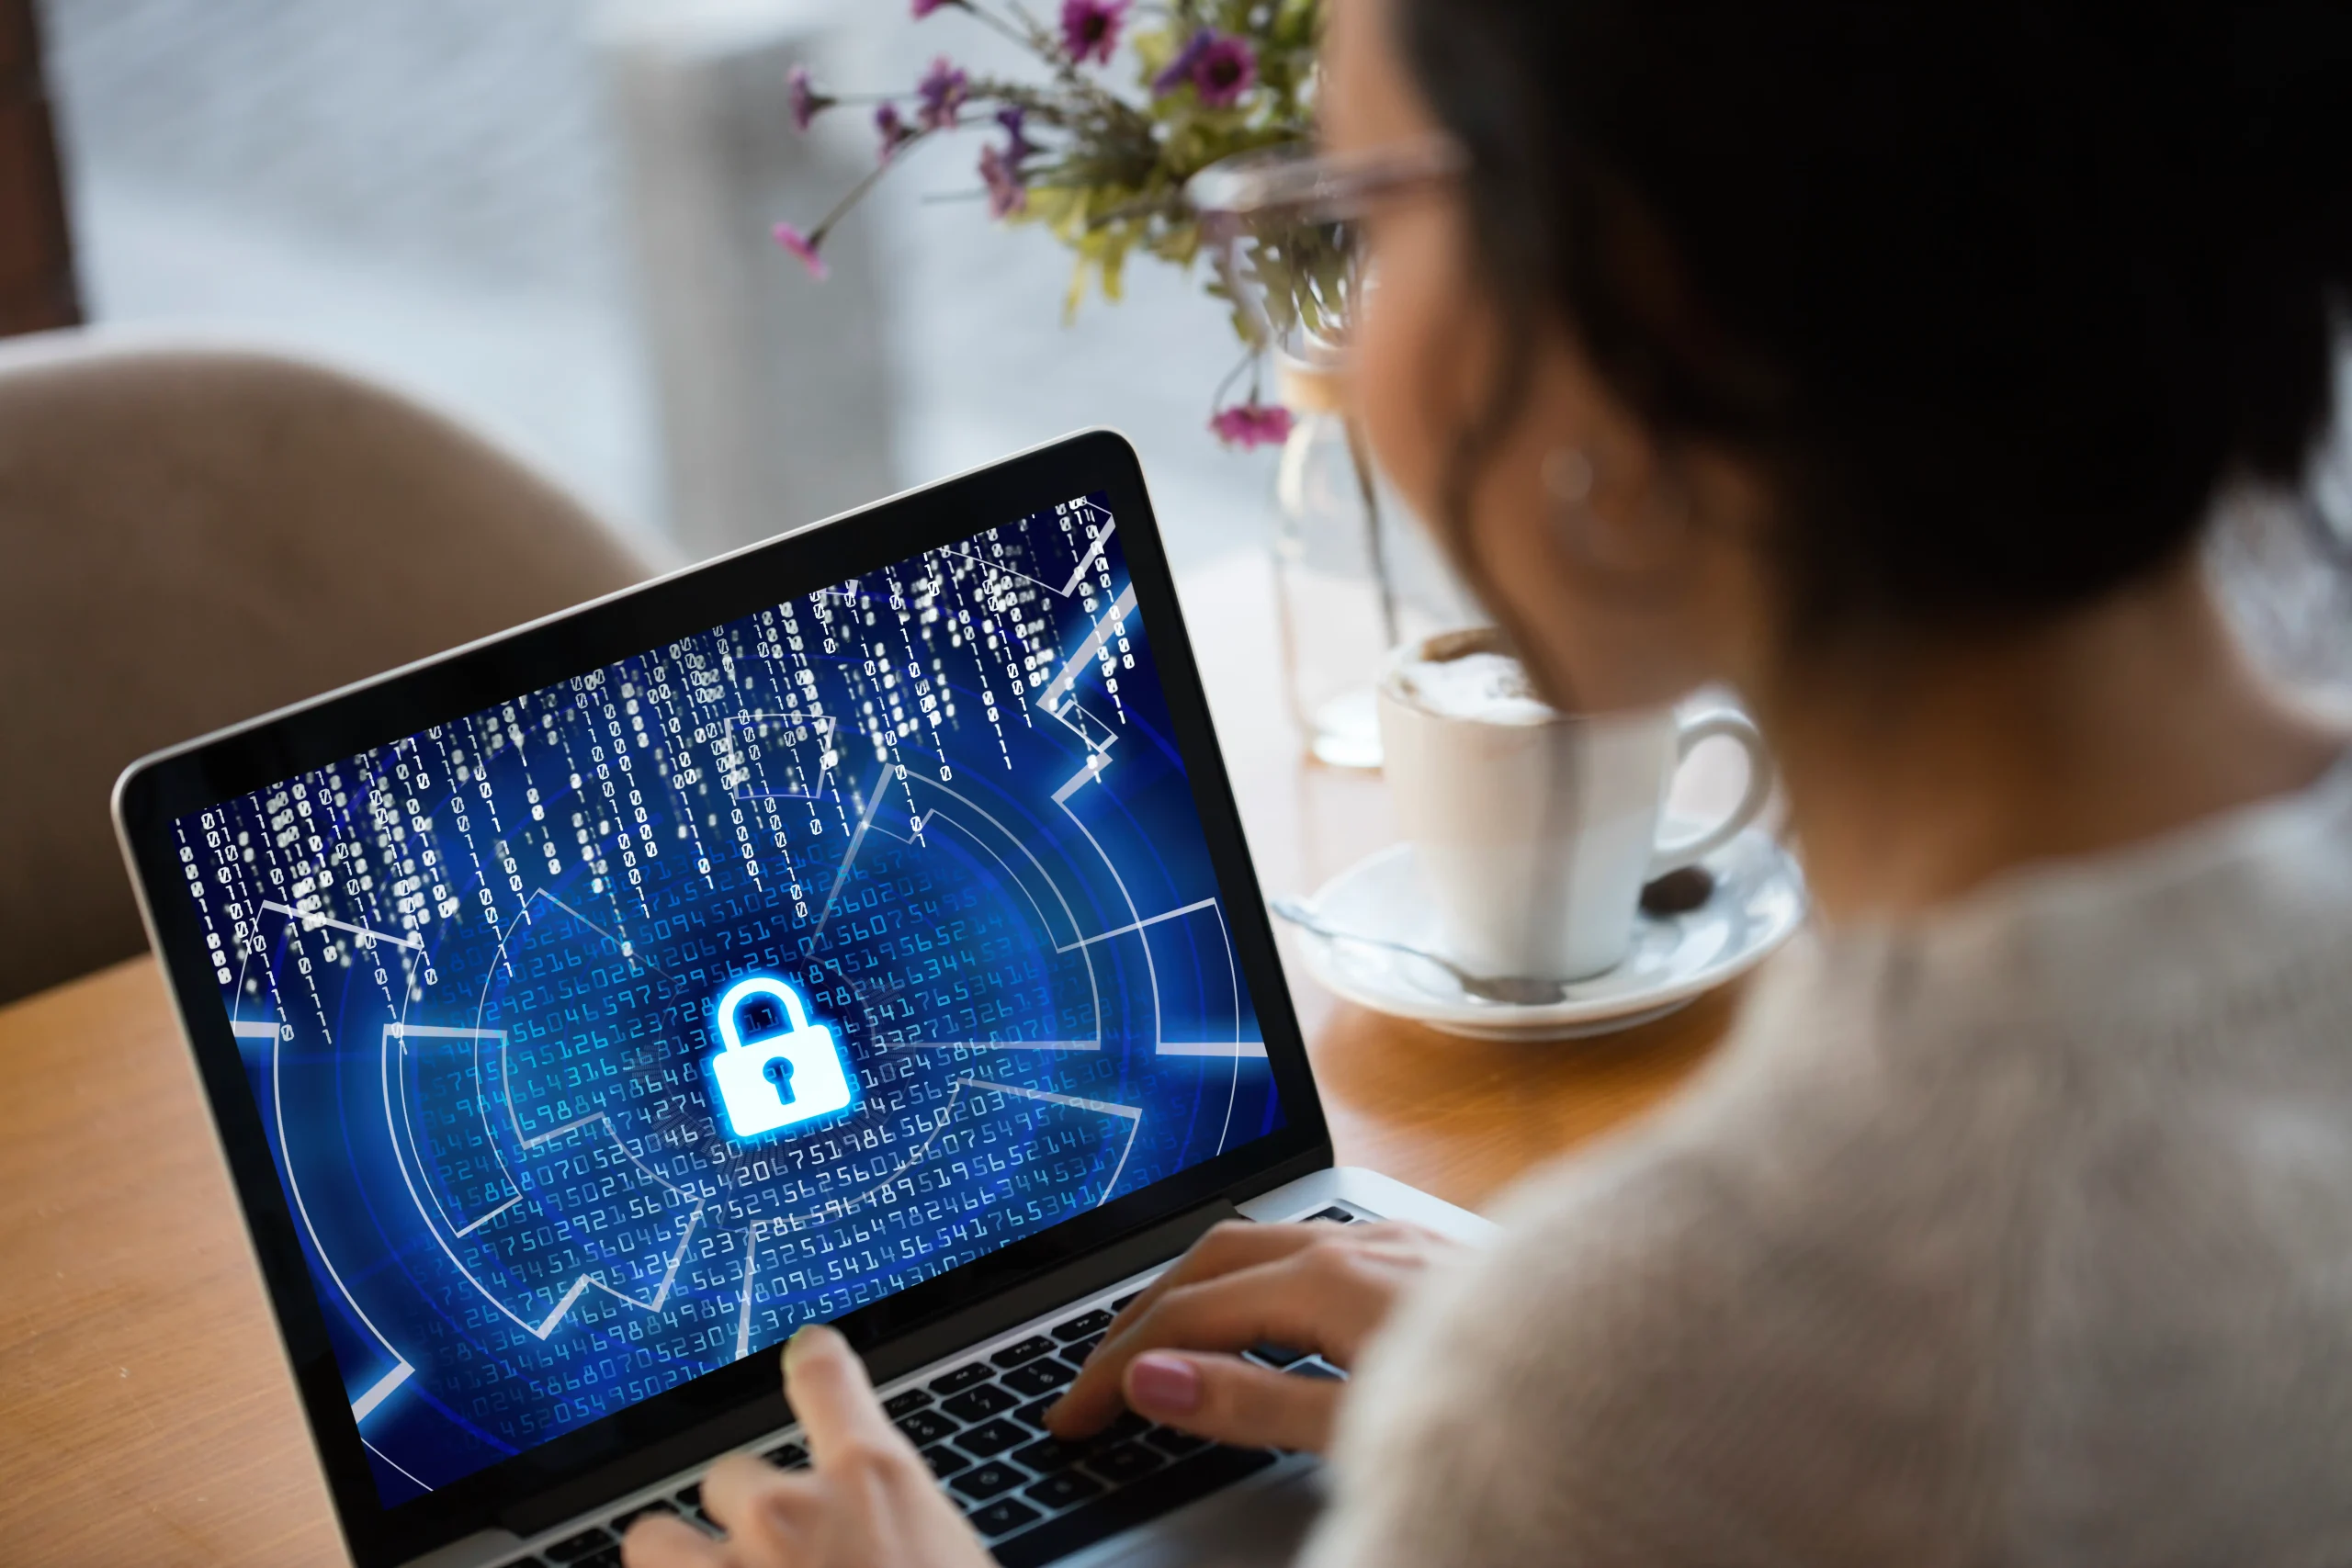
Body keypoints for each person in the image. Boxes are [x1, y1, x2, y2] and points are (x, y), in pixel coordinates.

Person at [625, 0, 2352, 1562]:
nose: (1328, 360)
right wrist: (1580, 1336)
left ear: (1638, 312)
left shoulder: (1639, 1404)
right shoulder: (1644, 1369)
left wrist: (1601, 1379)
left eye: (1360, 224)